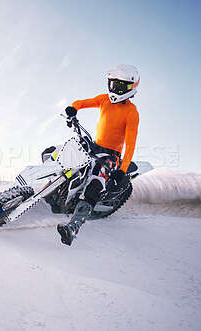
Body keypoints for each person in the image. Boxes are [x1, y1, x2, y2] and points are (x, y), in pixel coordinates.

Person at [57, 64, 140, 246]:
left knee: (95, 183)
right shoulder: (104, 100)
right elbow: (81, 103)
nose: (114, 89)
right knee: (58, 152)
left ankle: (73, 227)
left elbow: (130, 144)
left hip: (111, 156)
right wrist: (73, 110)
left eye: (119, 86)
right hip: (94, 146)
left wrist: (122, 170)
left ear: (129, 88)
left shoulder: (131, 112)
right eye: (112, 84)